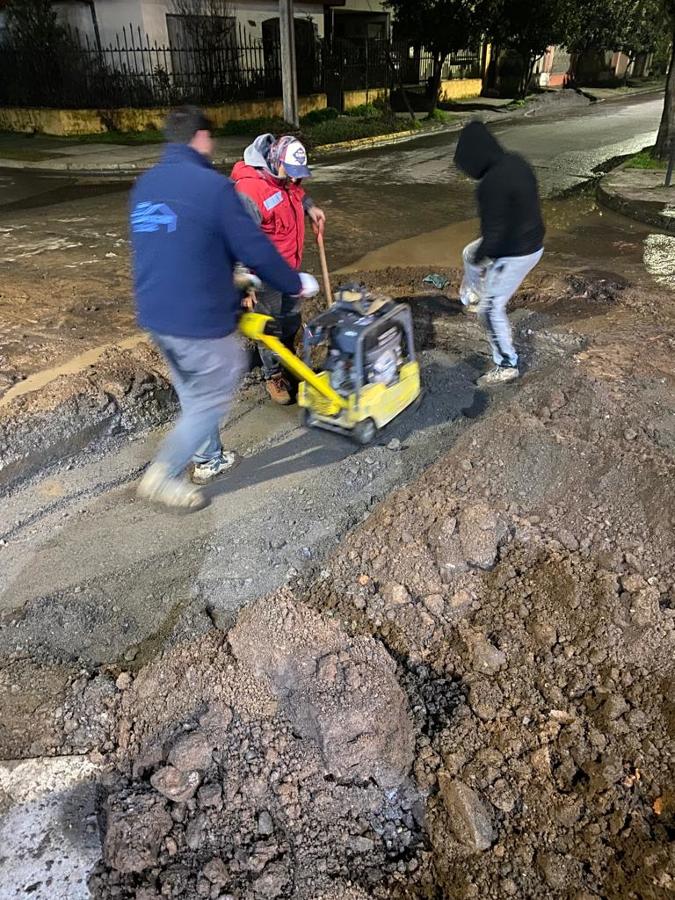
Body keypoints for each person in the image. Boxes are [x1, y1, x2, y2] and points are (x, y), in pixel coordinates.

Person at [130, 106, 318, 511]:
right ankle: (163, 472)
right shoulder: (213, 188)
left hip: (155, 312)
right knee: (219, 383)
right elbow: (253, 247)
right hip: (194, 314)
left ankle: (208, 460)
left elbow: (177, 247)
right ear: (200, 138)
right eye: (209, 139)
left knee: (194, 391)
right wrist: (294, 282)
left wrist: (235, 282)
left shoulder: (146, 185)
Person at [231, 134, 326, 405]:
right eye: (292, 174)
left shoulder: (287, 179)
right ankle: (273, 375)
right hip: (265, 274)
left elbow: (296, 192)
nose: (296, 181)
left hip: (290, 269)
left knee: (292, 319)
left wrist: (310, 207)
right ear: (274, 162)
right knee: (270, 327)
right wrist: (244, 284)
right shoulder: (249, 192)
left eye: (300, 176)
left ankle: (289, 363)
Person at [454, 120, 545, 387]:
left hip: (517, 252)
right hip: (528, 239)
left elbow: (492, 239)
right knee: (469, 253)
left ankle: (507, 364)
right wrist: (480, 258)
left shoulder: (490, 184)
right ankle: (471, 296)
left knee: (490, 310)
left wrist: (486, 261)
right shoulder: (516, 162)